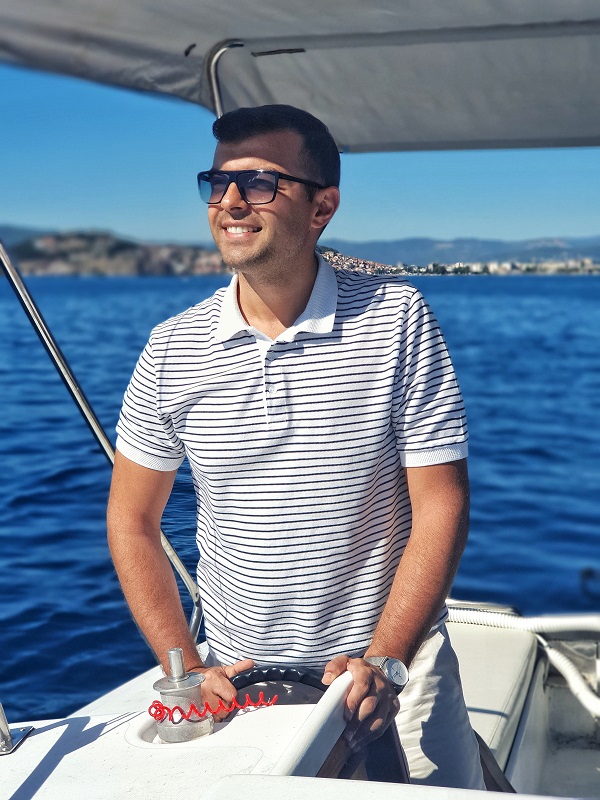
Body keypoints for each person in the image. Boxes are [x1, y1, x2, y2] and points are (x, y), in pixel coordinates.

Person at [107, 104, 485, 789]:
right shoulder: (171, 348)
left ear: (321, 207)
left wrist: (389, 661)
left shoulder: (397, 319)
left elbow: (442, 504)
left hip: (396, 667)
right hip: (238, 678)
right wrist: (182, 667)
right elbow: (132, 520)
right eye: (217, 183)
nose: (230, 201)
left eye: (258, 183)